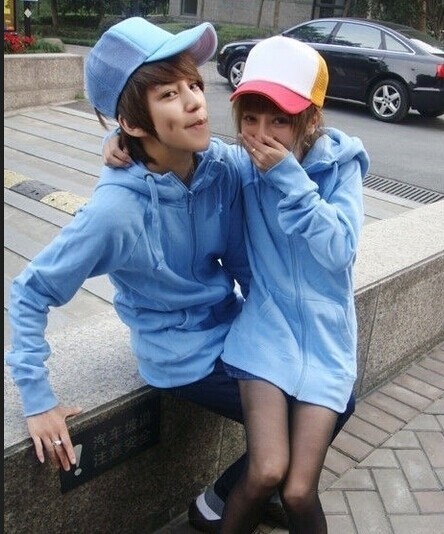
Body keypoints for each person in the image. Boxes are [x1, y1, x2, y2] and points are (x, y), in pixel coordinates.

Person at [26, 18, 354, 534]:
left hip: (238, 326)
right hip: (183, 355)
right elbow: (30, 291)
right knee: (302, 418)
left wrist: (121, 135)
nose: (196, 103)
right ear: (134, 121)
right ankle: (224, 500)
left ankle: (253, 492)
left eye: (195, 85)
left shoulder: (218, 167)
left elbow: (291, 158)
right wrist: (37, 399)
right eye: (170, 94)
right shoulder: (115, 212)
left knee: (334, 397)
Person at [204, 35, 369, 533]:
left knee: (298, 491)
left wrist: (289, 178)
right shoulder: (240, 165)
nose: (261, 134)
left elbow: (340, 249)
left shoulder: (340, 167)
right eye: (251, 118)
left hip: (326, 342)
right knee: (265, 471)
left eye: (279, 119)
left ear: (309, 120)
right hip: (266, 333)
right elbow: (181, 153)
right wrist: (122, 141)